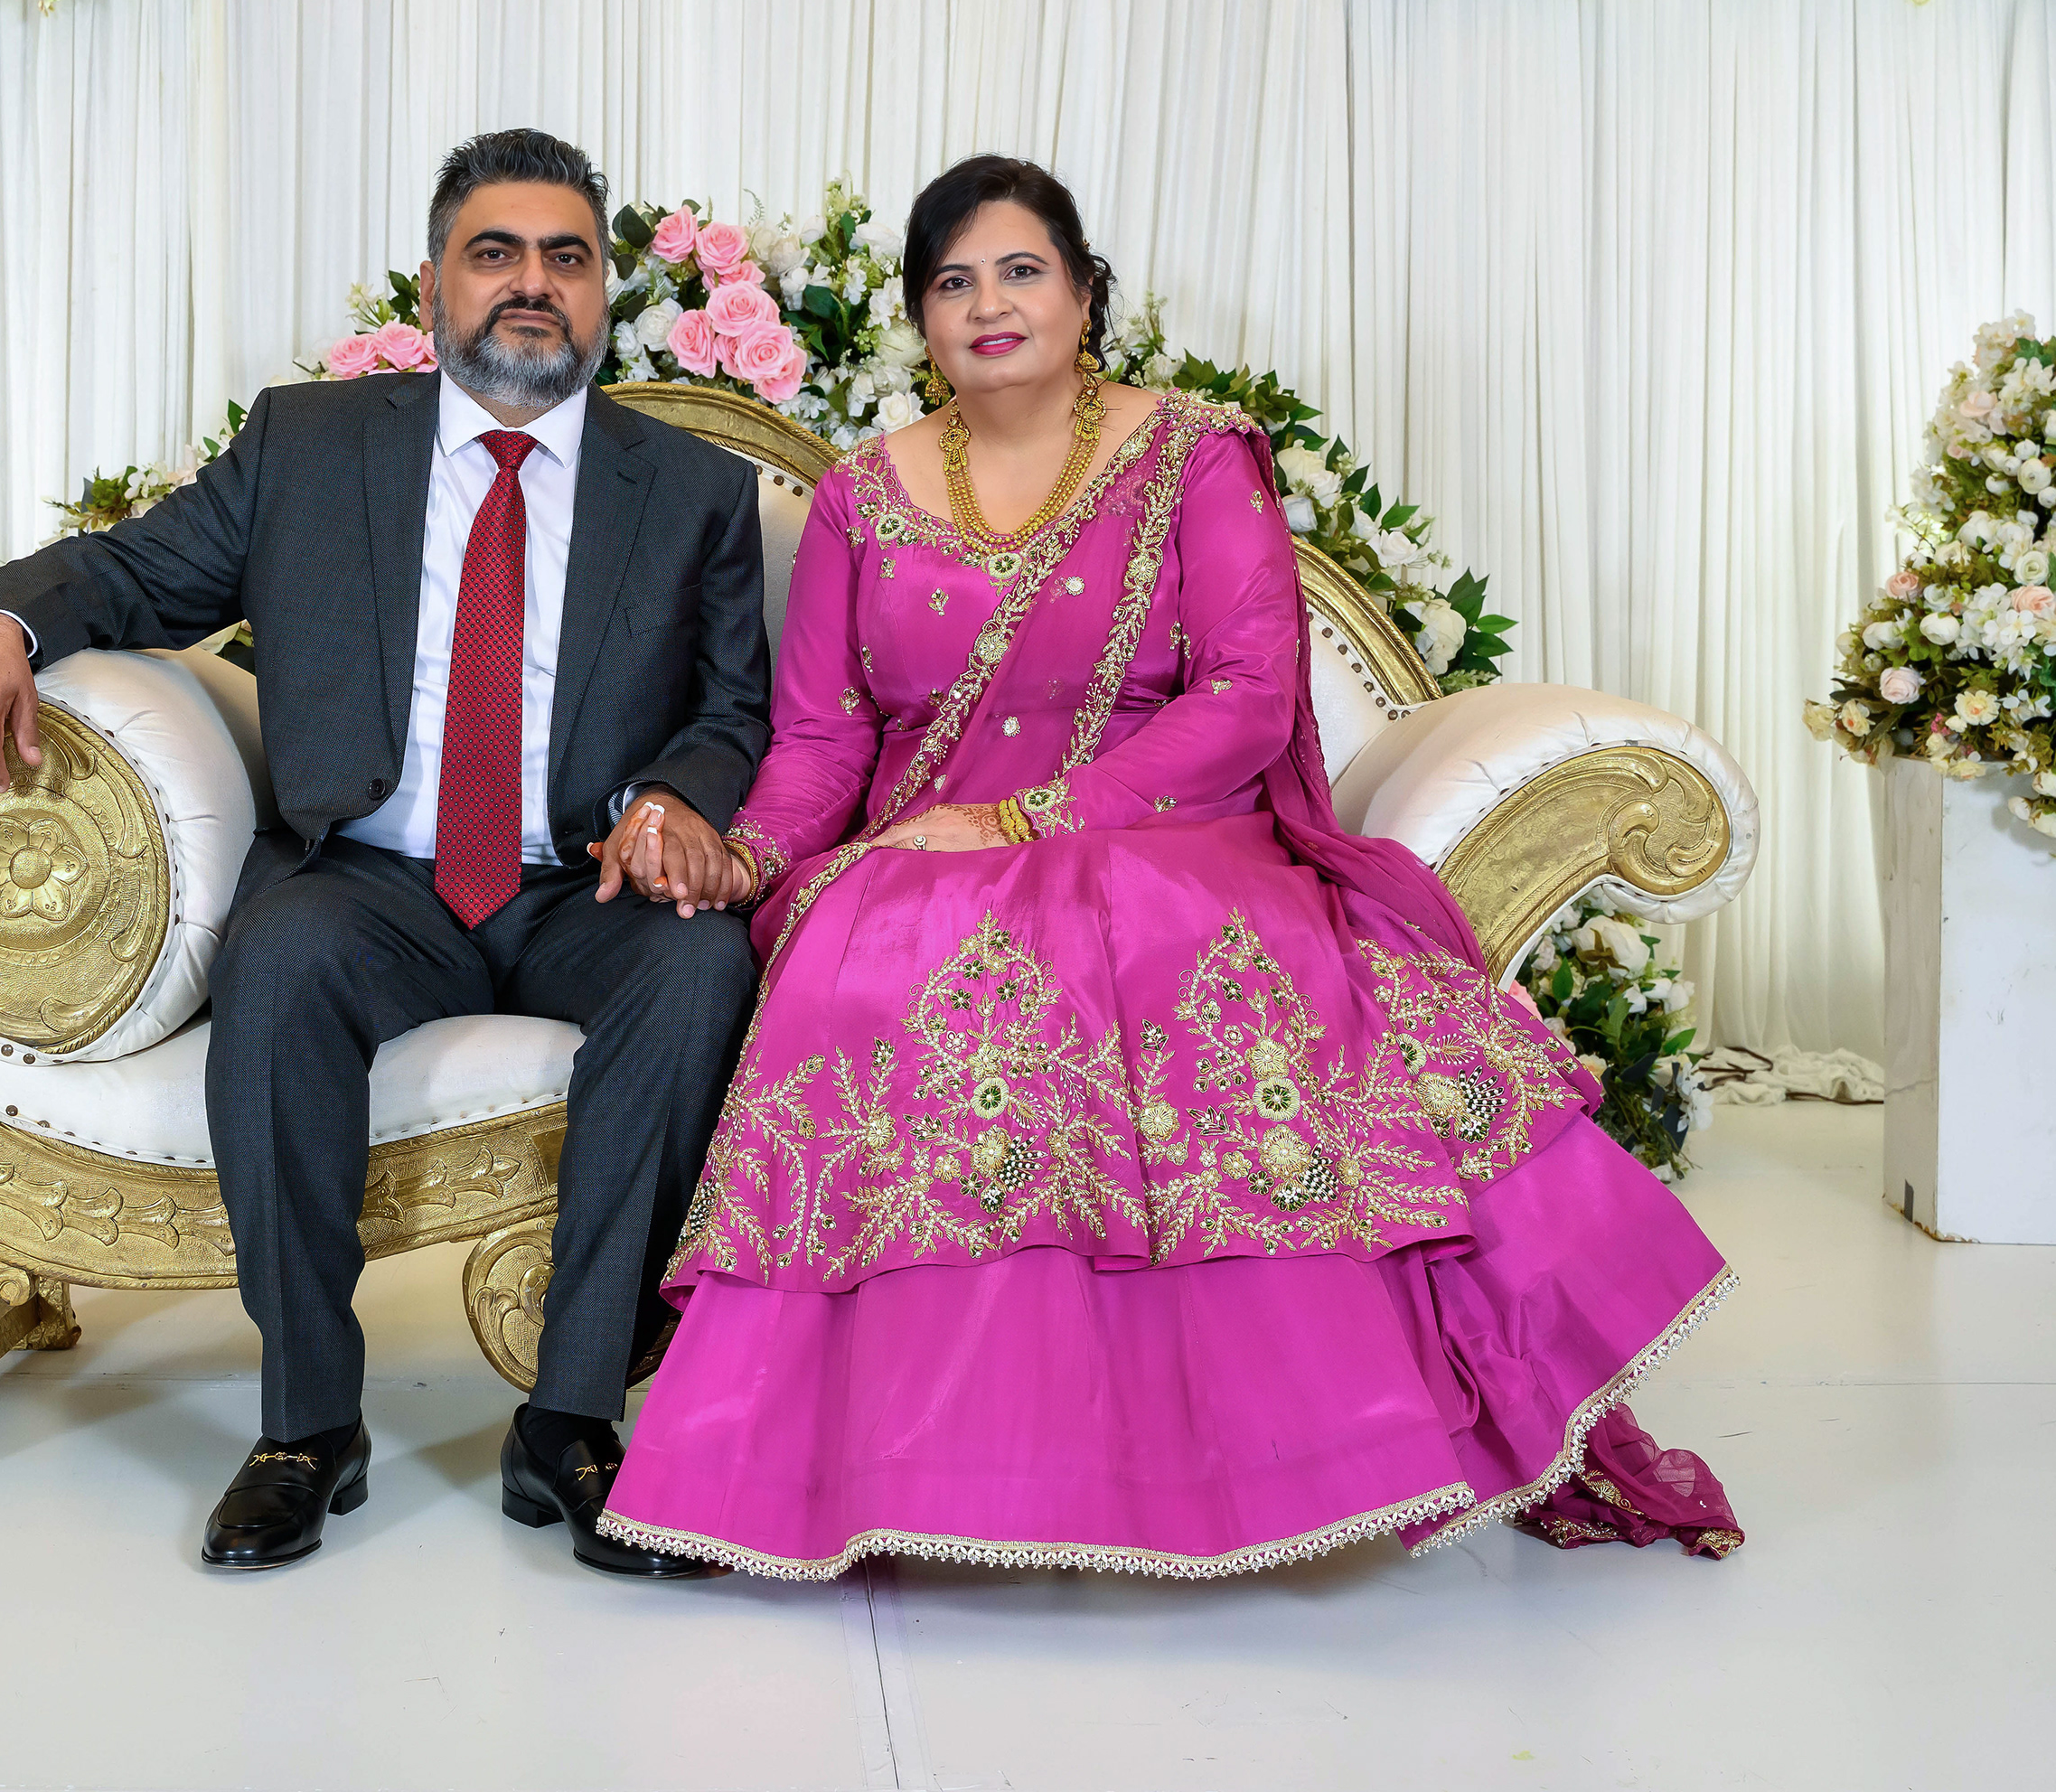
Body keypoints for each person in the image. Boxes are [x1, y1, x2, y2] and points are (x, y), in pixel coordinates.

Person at [591, 155, 1744, 1578]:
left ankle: (1247, 1458)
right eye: (954, 282)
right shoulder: (859, 501)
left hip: (1165, 835)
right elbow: (826, 739)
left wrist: (1031, 820)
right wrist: (748, 855)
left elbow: (1250, 698)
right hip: (924, 855)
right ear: (921, 319)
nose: (990, 305)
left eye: (1022, 272)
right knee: (858, 964)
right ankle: (889, 1465)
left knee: (1166, 951)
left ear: (1085, 295)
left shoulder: (1193, 455)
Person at [0, 127, 768, 1579]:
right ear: (434, 285)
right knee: (280, 962)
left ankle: (572, 1418)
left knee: (699, 974)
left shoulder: (688, 488)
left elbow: (735, 708)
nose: (532, 283)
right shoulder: (309, 448)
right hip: (372, 880)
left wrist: (677, 799)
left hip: (587, 881)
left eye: (566, 258)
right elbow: (132, 571)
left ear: (603, 294)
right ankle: (307, 1428)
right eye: (494, 253)